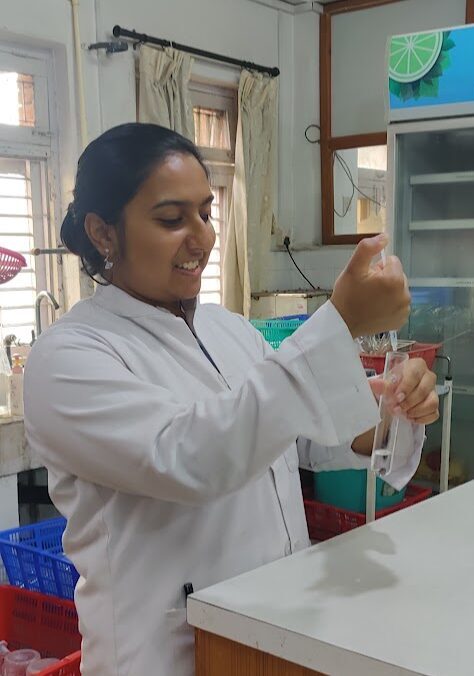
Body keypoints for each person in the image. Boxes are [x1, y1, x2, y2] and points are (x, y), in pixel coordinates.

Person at [23, 123, 438, 676]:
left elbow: (295, 439)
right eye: (172, 219)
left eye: (206, 213)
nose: (202, 237)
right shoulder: (69, 359)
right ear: (103, 232)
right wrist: (340, 324)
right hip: (165, 653)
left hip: (270, 630)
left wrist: (385, 414)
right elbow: (192, 458)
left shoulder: (228, 330)